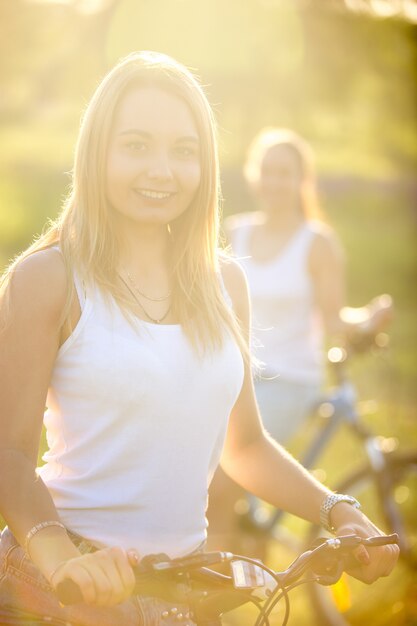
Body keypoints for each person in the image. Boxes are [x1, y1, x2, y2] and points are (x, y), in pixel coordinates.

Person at [0, 54, 397, 626]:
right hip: (54, 589)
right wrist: (65, 563)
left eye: (184, 151)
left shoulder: (226, 283)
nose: (162, 169)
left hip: (185, 594)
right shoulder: (49, 279)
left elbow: (246, 446)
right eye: (136, 145)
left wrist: (337, 511)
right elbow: (11, 454)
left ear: (205, 165)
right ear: (97, 153)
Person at [207, 127, 392, 552]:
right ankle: (234, 561)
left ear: (301, 180)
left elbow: (334, 318)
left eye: (285, 173)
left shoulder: (316, 243)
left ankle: (212, 599)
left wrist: (368, 318)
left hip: (288, 381)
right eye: (267, 171)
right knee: (194, 473)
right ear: (254, 176)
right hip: (233, 376)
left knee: (222, 481)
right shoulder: (236, 233)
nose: (274, 181)